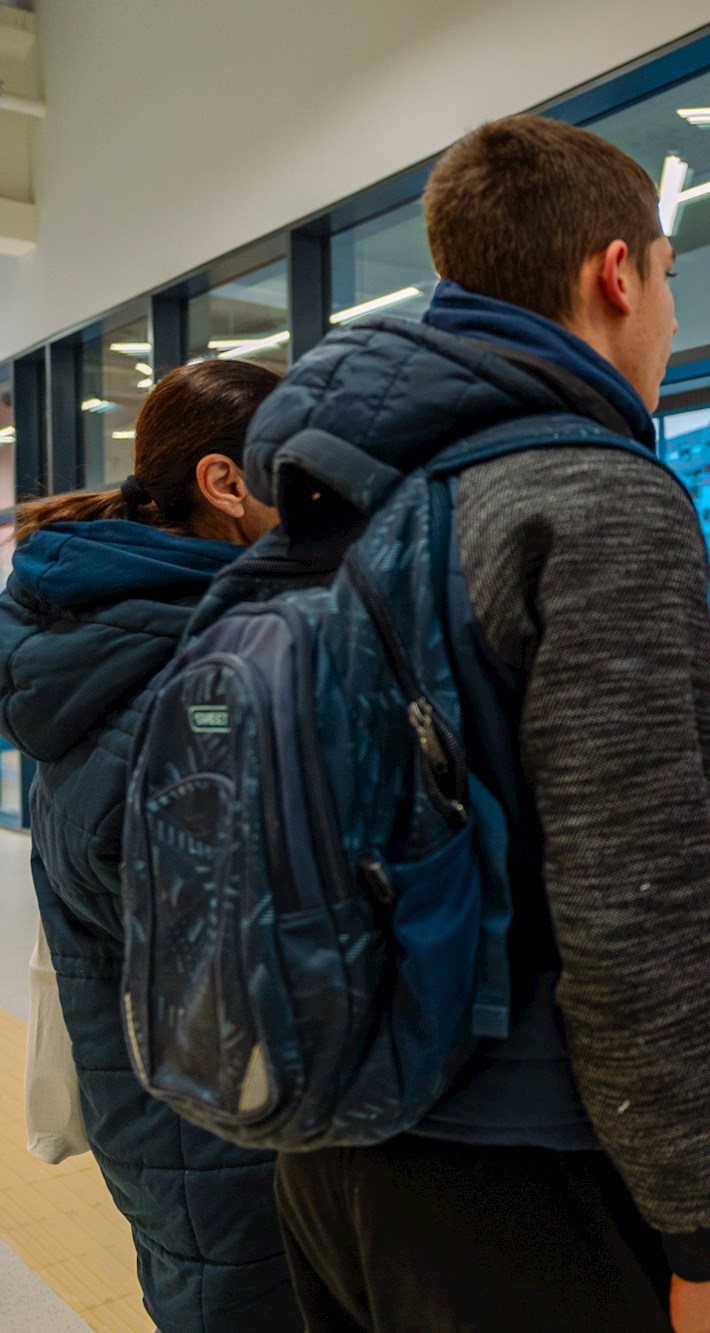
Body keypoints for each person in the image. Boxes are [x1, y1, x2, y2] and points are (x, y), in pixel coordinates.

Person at [253, 115, 710, 1333]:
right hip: (517, 1180)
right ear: (616, 273)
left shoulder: (343, 493)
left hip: (324, 1136)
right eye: (669, 277)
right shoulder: (595, 499)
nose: (672, 319)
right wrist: (700, 1225)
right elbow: (637, 905)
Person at [0, 359, 300, 1330]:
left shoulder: (118, 637)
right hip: (231, 1160)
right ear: (225, 483)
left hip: (175, 1136)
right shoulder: (189, 676)